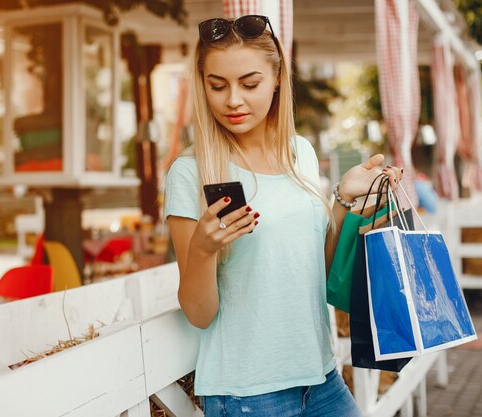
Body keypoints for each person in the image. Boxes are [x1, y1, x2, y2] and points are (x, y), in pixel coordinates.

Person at [164, 15, 403, 417]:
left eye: (250, 84)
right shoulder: (190, 173)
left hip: (321, 378)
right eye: (217, 85)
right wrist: (203, 251)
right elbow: (198, 313)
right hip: (249, 395)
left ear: (277, 79)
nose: (233, 100)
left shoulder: (301, 153)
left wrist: (343, 198)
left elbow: (315, 267)